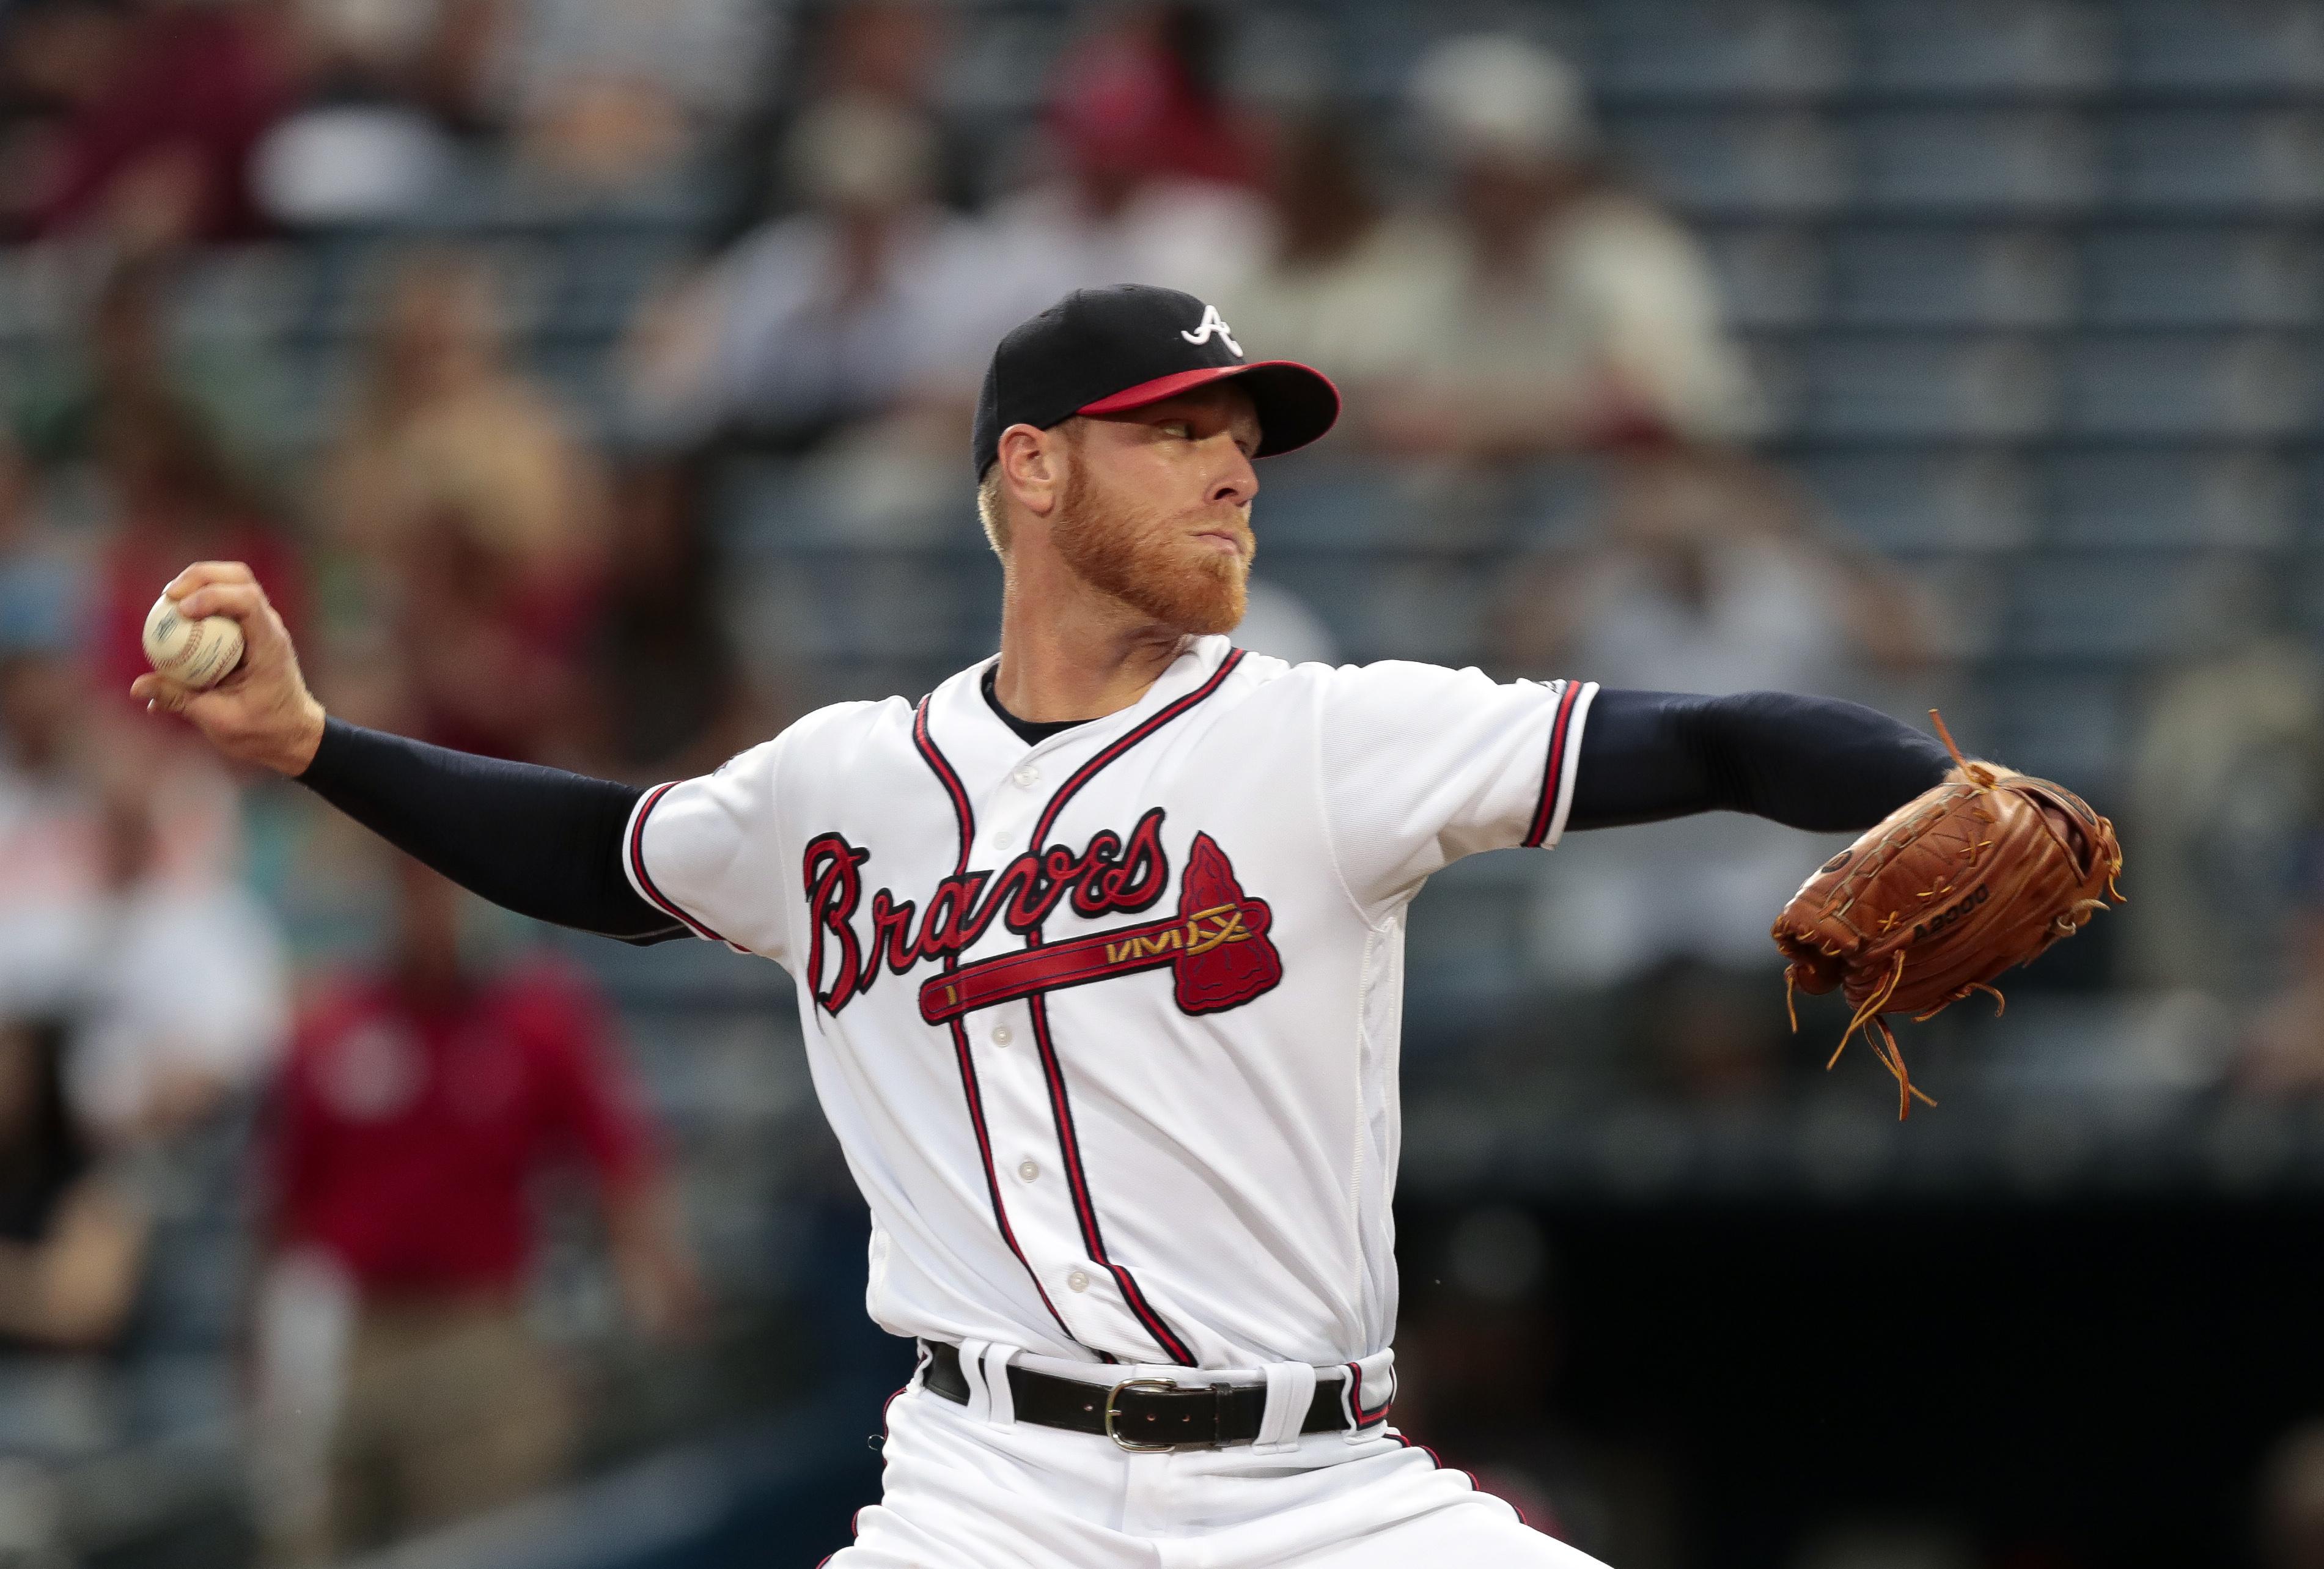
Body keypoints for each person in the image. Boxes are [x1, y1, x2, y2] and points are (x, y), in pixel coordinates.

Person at [141, 285, 1969, 1567]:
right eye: (1177, 433)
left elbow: (1712, 732)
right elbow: (604, 855)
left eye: (1243, 440)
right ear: (1031, 469)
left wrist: (1933, 781)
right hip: (980, 1491)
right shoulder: (841, 783)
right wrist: (311, 746)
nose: (1235, 469)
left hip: (1313, 1492)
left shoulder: (1324, 736)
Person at [252, 855, 699, 1565]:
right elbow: (280, 1198)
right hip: (362, 1328)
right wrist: (257, 1339)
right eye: (415, 896)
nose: (434, 915)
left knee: (490, 1535)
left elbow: (620, 1163)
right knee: (320, 1534)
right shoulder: (335, 1024)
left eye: (450, 896)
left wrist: (655, 1273)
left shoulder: (535, 1021)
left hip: (483, 1326)